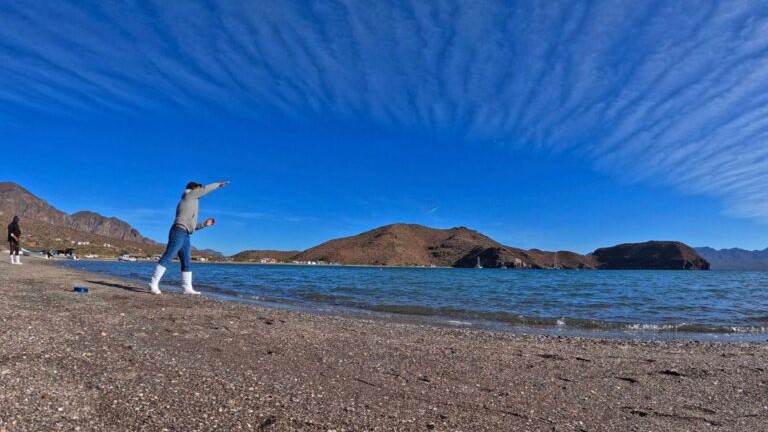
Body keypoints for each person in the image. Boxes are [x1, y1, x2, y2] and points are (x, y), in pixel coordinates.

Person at [148, 181, 229, 294]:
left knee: (186, 261)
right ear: (194, 189)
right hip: (179, 230)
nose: (200, 192)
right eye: (199, 189)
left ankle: (187, 288)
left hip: (185, 233)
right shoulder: (189, 196)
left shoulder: (191, 202)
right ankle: (153, 283)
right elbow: (205, 189)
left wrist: (205, 224)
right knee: (169, 255)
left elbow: (192, 226)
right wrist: (218, 184)